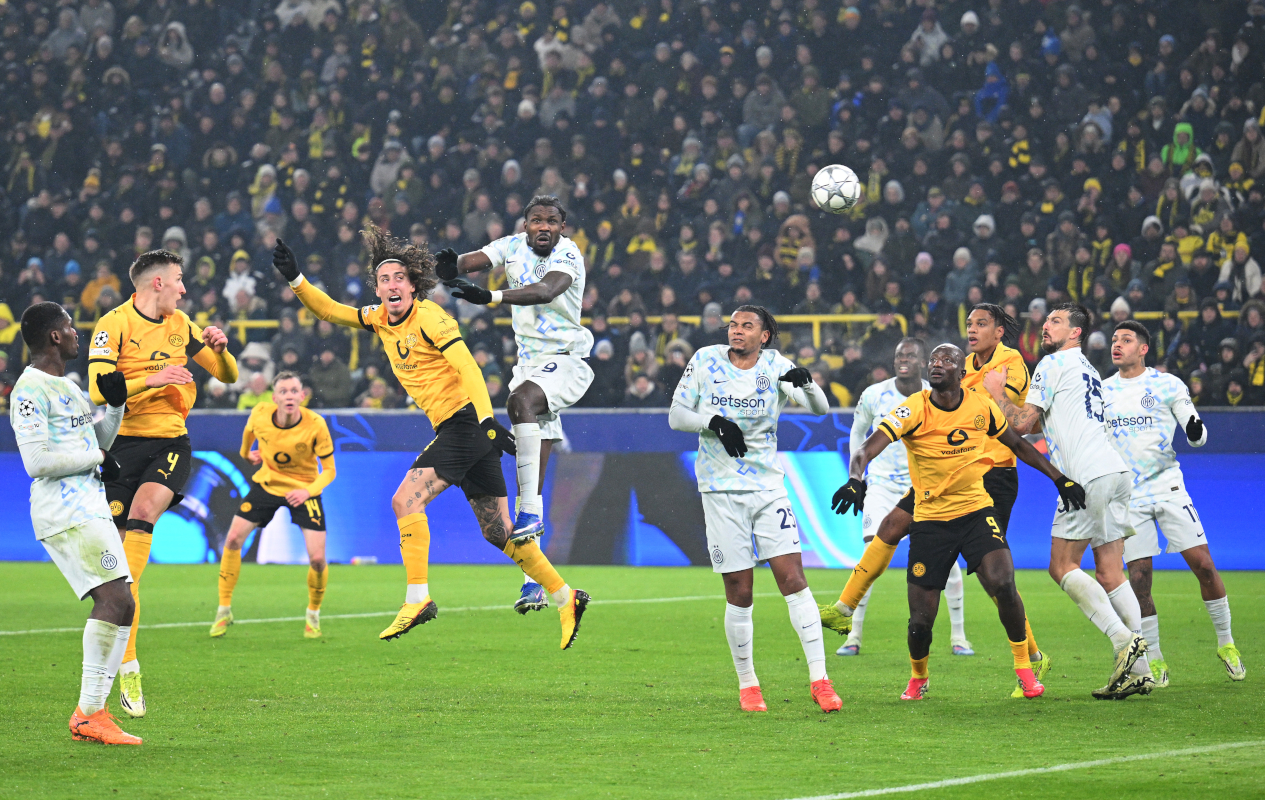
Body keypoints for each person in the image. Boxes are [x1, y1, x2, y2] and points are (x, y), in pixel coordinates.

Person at [272, 228, 589, 649]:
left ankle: (416, 598)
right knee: (498, 533)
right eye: (384, 280)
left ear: (413, 284)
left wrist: (488, 423)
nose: (391, 286)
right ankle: (567, 598)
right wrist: (296, 279)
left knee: (405, 500)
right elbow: (329, 310)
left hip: (464, 424)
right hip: (460, 429)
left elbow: (469, 369)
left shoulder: (432, 318)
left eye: (399, 278)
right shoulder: (379, 319)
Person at [832, 343, 1086, 701]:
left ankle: (1026, 671)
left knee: (1003, 583)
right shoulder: (914, 407)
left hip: (976, 512)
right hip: (930, 519)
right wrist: (856, 478)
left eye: (947, 360)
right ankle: (918, 676)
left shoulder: (981, 405)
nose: (938, 364)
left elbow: (1019, 444)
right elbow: (865, 448)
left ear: (961, 374)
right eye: (934, 359)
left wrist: (1060, 479)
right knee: (920, 620)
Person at [88, 249, 239, 718]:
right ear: (156, 284)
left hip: (170, 442)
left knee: (145, 514)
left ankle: (126, 643)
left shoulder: (184, 325)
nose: (184, 288)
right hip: (121, 449)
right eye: (178, 280)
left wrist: (220, 348)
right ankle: (128, 659)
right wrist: (154, 377)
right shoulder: (113, 325)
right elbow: (98, 389)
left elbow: (228, 377)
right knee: (116, 569)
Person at [668, 306, 841, 714]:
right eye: (733, 324)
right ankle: (749, 685)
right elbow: (676, 416)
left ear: (764, 336)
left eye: (747, 326)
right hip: (720, 490)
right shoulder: (705, 360)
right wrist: (714, 422)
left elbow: (820, 409)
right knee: (739, 591)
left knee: (793, 580)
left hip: (767, 489)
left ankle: (821, 681)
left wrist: (810, 384)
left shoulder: (776, 366)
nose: (737, 331)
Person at [982, 303, 1152, 699]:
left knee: (1062, 566)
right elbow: (1044, 419)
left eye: (1055, 322)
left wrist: (995, 395)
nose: (1045, 327)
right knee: (1110, 571)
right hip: (1115, 473)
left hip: (1086, 477)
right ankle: (1142, 666)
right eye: (1045, 321)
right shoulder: (1088, 371)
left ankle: (1123, 643)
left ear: (1075, 332)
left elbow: (1022, 425)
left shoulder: (1052, 364)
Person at [436, 195, 595, 613]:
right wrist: (442, 266)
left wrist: (489, 298)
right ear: (524, 225)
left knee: (518, 402)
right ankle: (534, 584)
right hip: (530, 366)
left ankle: (530, 517)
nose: (544, 226)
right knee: (531, 486)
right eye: (536, 220)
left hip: (565, 361)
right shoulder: (510, 245)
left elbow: (545, 291)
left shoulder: (569, 254)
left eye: (552, 221)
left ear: (562, 227)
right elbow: (469, 262)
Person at [11, 302, 138, 744]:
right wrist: (98, 458)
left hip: (89, 506)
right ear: (53, 337)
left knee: (125, 605)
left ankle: (93, 713)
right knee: (112, 601)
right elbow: (37, 461)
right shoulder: (29, 391)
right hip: (65, 511)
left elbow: (93, 441)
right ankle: (90, 713)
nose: (75, 332)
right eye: (68, 326)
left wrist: (117, 409)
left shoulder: (68, 385)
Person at [1102, 321, 1244, 684]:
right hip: (1129, 496)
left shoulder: (1166, 384)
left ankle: (1226, 643)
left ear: (1143, 348)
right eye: (1115, 340)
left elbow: (1196, 434)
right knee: (1139, 578)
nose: (1117, 345)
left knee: (1205, 566)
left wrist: (1195, 430)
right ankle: (1157, 657)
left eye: (1126, 340)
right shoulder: (1103, 391)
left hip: (1167, 488)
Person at [210, 372, 337, 640]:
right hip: (267, 485)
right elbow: (247, 439)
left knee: (317, 559)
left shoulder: (316, 424)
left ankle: (313, 615)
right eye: (284, 391)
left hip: (304, 490)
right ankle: (223, 610)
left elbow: (329, 472)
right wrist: (247, 453)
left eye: (294, 391)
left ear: (302, 396)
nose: (289, 396)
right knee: (232, 539)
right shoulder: (259, 413)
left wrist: (307, 492)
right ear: (274, 396)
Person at [829, 338, 934, 658]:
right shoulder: (874, 394)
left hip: (922, 488)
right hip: (883, 485)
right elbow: (857, 433)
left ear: (922, 362)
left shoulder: (934, 394)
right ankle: (852, 635)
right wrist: (855, 477)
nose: (903, 359)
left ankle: (959, 637)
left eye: (910, 355)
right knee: (870, 553)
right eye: (899, 354)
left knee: (942, 560)